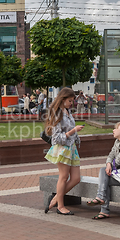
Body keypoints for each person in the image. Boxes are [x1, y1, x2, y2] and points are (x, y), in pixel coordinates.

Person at [44, 87, 84, 215]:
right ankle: (60, 206)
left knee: (76, 178)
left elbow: (70, 131)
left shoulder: (67, 112)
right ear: (63, 99)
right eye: (70, 101)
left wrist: (76, 136)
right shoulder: (57, 114)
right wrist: (74, 131)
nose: (71, 103)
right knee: (64, 177)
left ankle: (56, 198)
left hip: (71, 148)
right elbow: (56, 138)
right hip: (62, 149)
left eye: (72, 101)